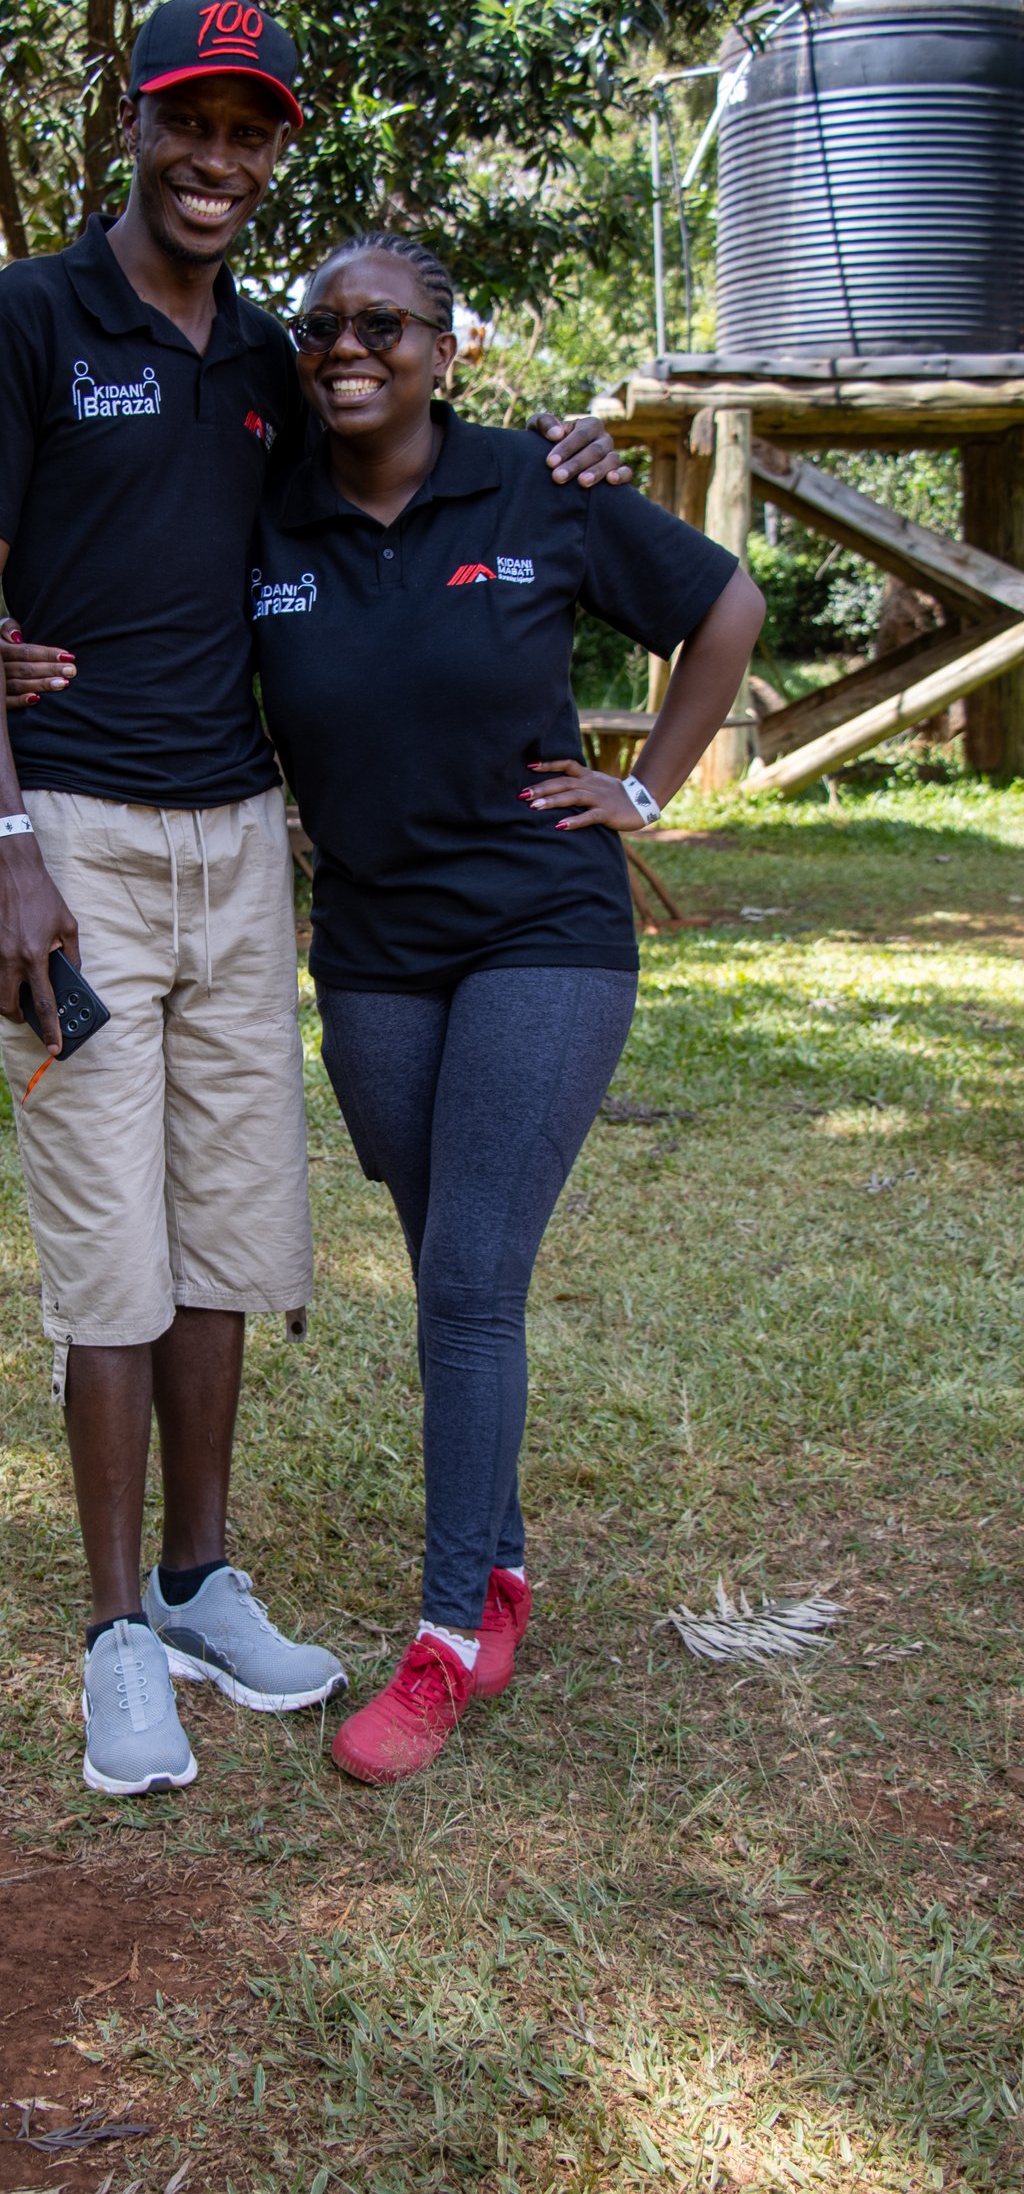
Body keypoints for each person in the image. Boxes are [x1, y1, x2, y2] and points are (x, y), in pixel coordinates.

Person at [0, 0, 628, 1800]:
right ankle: (113, 1638)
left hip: (241, 842)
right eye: (191, 122)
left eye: (250, 133)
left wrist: (563, 458)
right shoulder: (30, 318)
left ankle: (198, 1584)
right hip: (77, 842)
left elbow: (404, 454)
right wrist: (5, 842)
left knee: (230, 1228)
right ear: (135, 124)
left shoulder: (270, 357)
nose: (217, 160)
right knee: (111, 1249)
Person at [245, 231, 763, 1784]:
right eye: (322, 324)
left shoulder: (544, 484)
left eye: (383, 323)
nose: (349, 346)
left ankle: (446, 1636)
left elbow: (725, 605)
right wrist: (20, 650)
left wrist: (646, 788)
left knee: (471, 1280)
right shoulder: (267, 509)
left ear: (444, 349)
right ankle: (506, 1567)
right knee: (447, 1270)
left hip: (543, 928)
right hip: (375, 950)